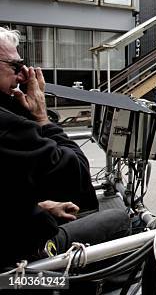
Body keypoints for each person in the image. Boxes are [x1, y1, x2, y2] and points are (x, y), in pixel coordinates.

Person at [0, 27, 129, 267]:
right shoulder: (8, 127)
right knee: (120, 218)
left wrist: (38, 206)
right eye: (15, 67)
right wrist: (41, 116)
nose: (21, 77)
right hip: (21, 254)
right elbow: (75, 173)